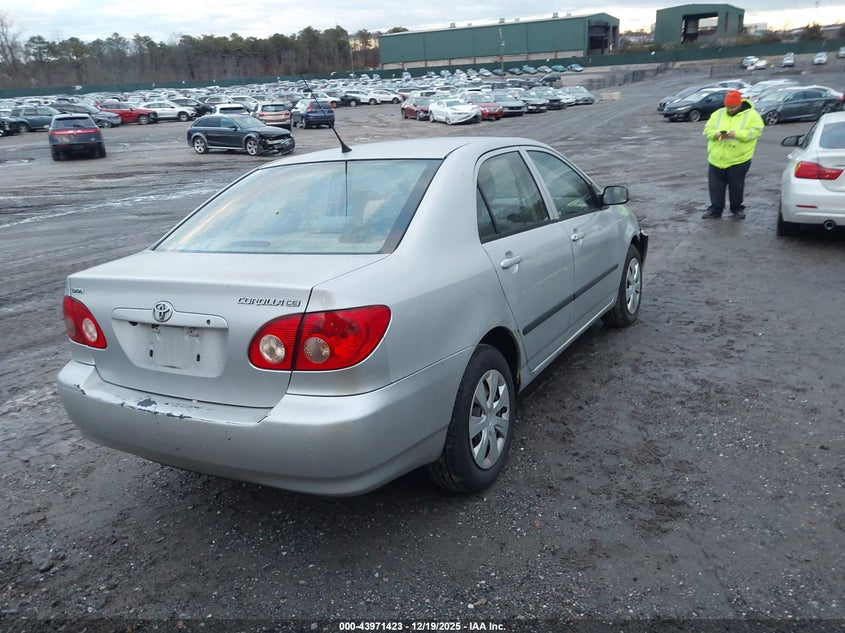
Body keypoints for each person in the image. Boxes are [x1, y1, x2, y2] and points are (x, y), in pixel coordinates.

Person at [701, 89, 764, 219]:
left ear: (739, 104)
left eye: (732, 107)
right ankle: (716, 209)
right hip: (716, 158)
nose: (729, 109)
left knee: (736, 186)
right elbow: (707, 131)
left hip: (739, 159)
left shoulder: (752, 115)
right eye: (727, 106)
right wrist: (716, 135)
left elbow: (756, 132)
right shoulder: (717, 114)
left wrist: (736, 134)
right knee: (715, 186)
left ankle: (736, 209)